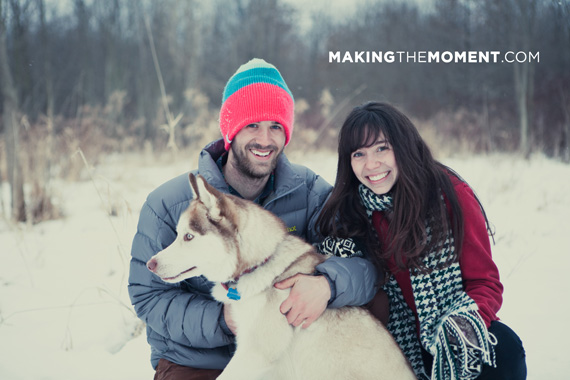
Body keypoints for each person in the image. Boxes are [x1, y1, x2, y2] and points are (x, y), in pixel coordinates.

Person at [127, 59, 378, 380]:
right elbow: (148, 297)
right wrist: (224, 319)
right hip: (198, 361)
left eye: (276, 126)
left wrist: (327, 285)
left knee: (377, 304)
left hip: (285, 354)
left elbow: (365, 261)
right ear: (231, 130)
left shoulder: (309, 191)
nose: (265, 139)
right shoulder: (170, 202)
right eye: (252, 125)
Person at [316, 101, 527, 380]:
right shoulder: (352, 210)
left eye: (382, 148)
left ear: (402, 146)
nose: (372, 164)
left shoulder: (448, 195)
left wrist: (462, 326)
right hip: (395, 337)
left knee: (505, 352)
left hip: (451, 328)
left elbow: (484, 281)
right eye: (359, 153)